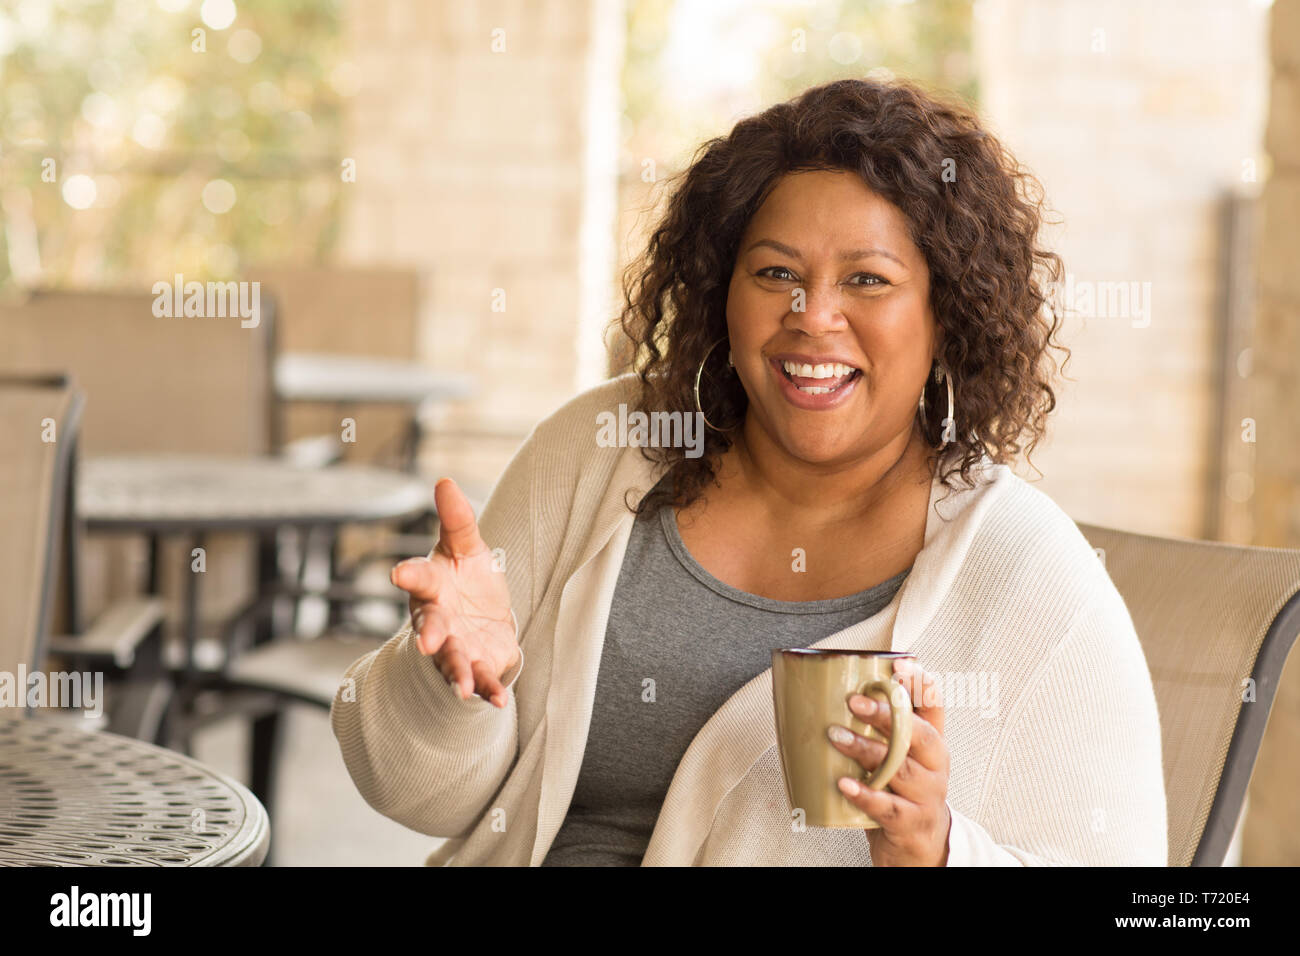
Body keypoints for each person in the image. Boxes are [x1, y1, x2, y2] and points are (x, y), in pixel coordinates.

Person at [331, 77, 1168, 866]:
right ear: (721, 292)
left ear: (947, 316)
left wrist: (937, 851)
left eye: (868, 280)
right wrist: (455, 688)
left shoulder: (1029, 574)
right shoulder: (600, 449)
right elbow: (420, 798)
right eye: (776, 273)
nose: (813, 317)